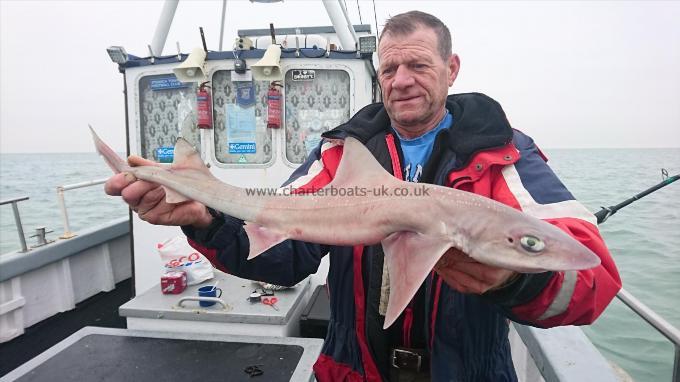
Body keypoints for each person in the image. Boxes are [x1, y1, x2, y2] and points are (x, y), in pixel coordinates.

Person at [106, 11, 622, 382]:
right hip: (351, 371)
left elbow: (592, 275)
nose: (401, 81)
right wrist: (204, 218)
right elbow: (284, 260)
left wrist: (512, 283)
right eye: (389, 69)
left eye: (418, 65)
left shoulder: (503, 156)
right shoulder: (340, 156)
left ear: (452, 68)